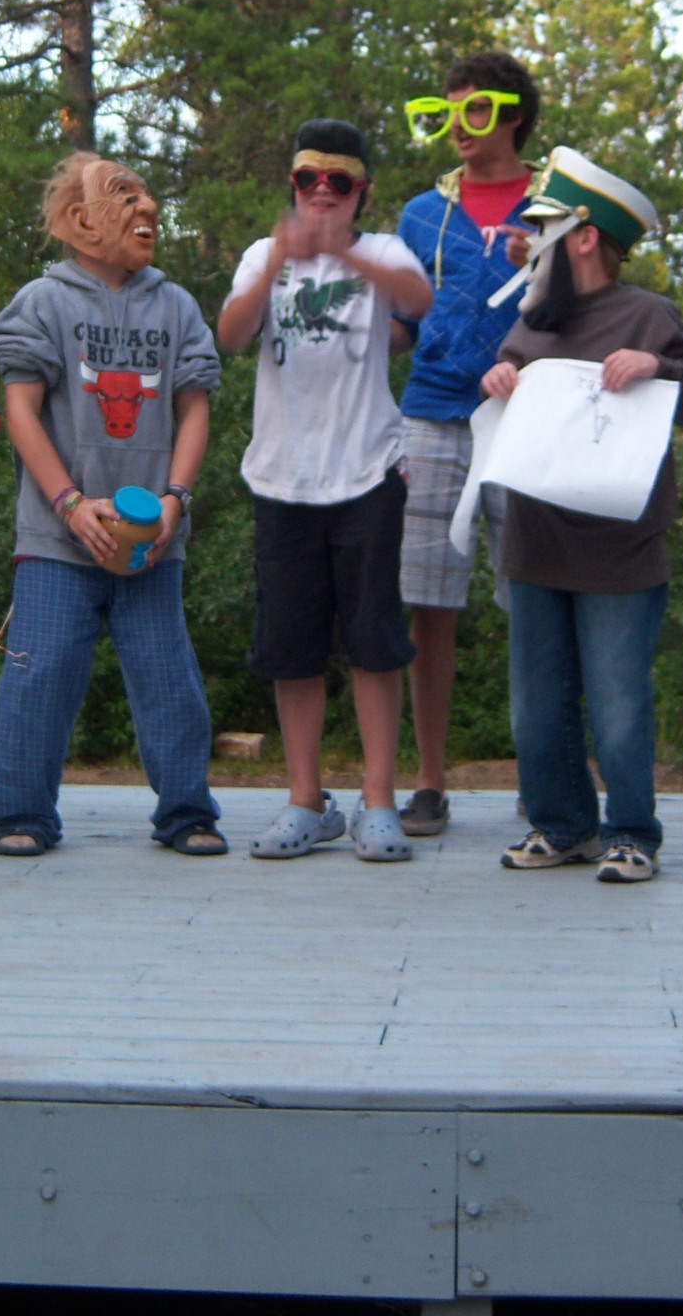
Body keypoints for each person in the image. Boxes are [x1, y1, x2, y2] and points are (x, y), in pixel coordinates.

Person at [0, 153, 226, 857]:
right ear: (81, 219)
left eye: (147, 194)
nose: (146, 207)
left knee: (167, 674)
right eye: (123, 195)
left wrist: (176, 498)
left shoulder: (176, 306)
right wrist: (68, 503)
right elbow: (20, 411)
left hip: (152, 539)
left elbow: (194, 408)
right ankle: (23, 814)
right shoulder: (42, 302)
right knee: (40, 669)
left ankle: (187, 813)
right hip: (57, 537)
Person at [480, 149, 683, 884]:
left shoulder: (648, 315)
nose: (529, 239)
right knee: (537, 710)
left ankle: (632, 832)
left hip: (620, 554)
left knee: (618, 706)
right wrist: (500, 378)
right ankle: (563, 827)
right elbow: (508, 408)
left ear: (583, 237)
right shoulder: (533, 318)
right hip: (535, 545)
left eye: (544, 227)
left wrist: (658, 368)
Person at [217, 120, 437, 862]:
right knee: (291, 648)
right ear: (292, 185)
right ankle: (306, 800)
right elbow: (229, 336)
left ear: (360, 192)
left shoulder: (384, 251)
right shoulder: (262, 254)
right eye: (307, 179)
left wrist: (344, 253)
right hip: (282, 477)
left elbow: (419, 299)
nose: (321, 193)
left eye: (338, 182)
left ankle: (379, 802)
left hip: (368, 470)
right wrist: (280, 260)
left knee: (376, 643)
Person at [391, 51, 543, 836]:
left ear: (513, 114)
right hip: (432, 413)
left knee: (537, 603)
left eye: (476, 108)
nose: (459, 124)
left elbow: (595, 302)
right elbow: (396, 324)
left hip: (530, 418)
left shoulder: (559, 203)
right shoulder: (421, 214)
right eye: (447, 109)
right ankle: (429, 781)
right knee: (427, 605)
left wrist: (542, 264)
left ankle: (542, 778)